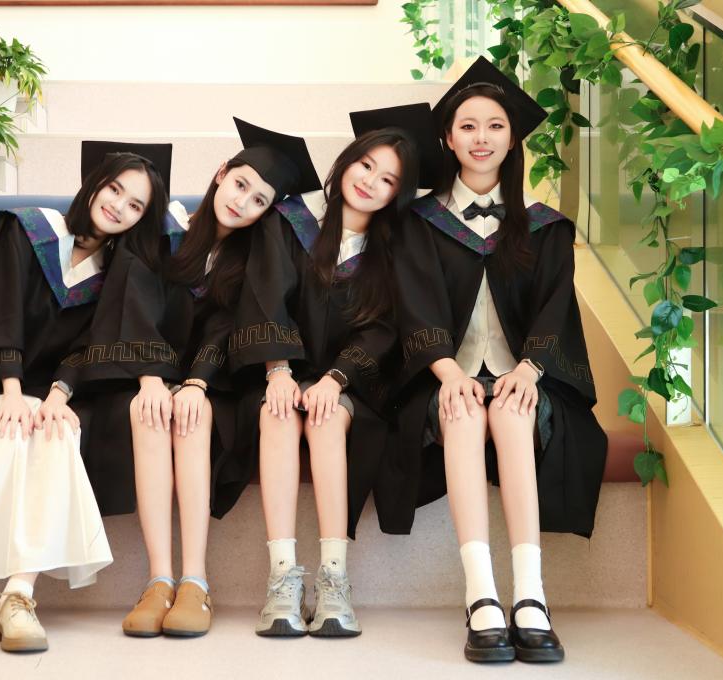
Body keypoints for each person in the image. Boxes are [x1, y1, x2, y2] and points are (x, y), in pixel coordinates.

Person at [0, 141, 169, 655]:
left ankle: (17, 596)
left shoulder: (116, 270)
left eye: (136, 206)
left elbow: (92, 345)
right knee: (6, 425)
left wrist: (60, 394)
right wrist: (13, 390)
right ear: (95, 184)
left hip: (47, 393)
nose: (119, 207)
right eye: (115, 190)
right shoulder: (25, 230)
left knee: (60, 433)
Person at [384, 57, 608, 663]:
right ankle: (481, 594)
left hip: (523, 374)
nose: (481, 138)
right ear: (448, 138)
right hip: (445, 375)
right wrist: (447, 372)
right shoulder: (418, 222)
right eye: (467, 126)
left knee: (511, 413)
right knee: (461, 413)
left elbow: (556, 309)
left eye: (495, 126)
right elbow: (414, 307)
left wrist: (530, 370)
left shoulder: (546, 227)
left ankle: (531, 595)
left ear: (512, 139)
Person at [62, 120, 319, 639]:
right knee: (147, 414)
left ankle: (196, 582)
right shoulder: (158, 230)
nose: (243, 202)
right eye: (240, 184)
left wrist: (197, 382)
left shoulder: (246, 259)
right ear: (221, 173)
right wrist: (152, 379)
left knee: (194, 418)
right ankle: (158, 579)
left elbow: (225, 328)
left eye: (259, 201)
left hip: (210, 379)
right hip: (142, 372)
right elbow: (133, 305)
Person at [226, 105, 431, 638]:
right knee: (275, 415)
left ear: (397, 194)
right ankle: (282, 579)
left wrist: (336, 379)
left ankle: (335, 579)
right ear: (346, 162)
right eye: (366, 165)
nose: (370, 182)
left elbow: (384, 328)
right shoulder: (288, 221)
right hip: (280, 371)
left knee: (326, 417)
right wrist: (277, 370)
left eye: (388, 180)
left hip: (350, 382)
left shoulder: (393, 248)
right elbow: (264, 295)